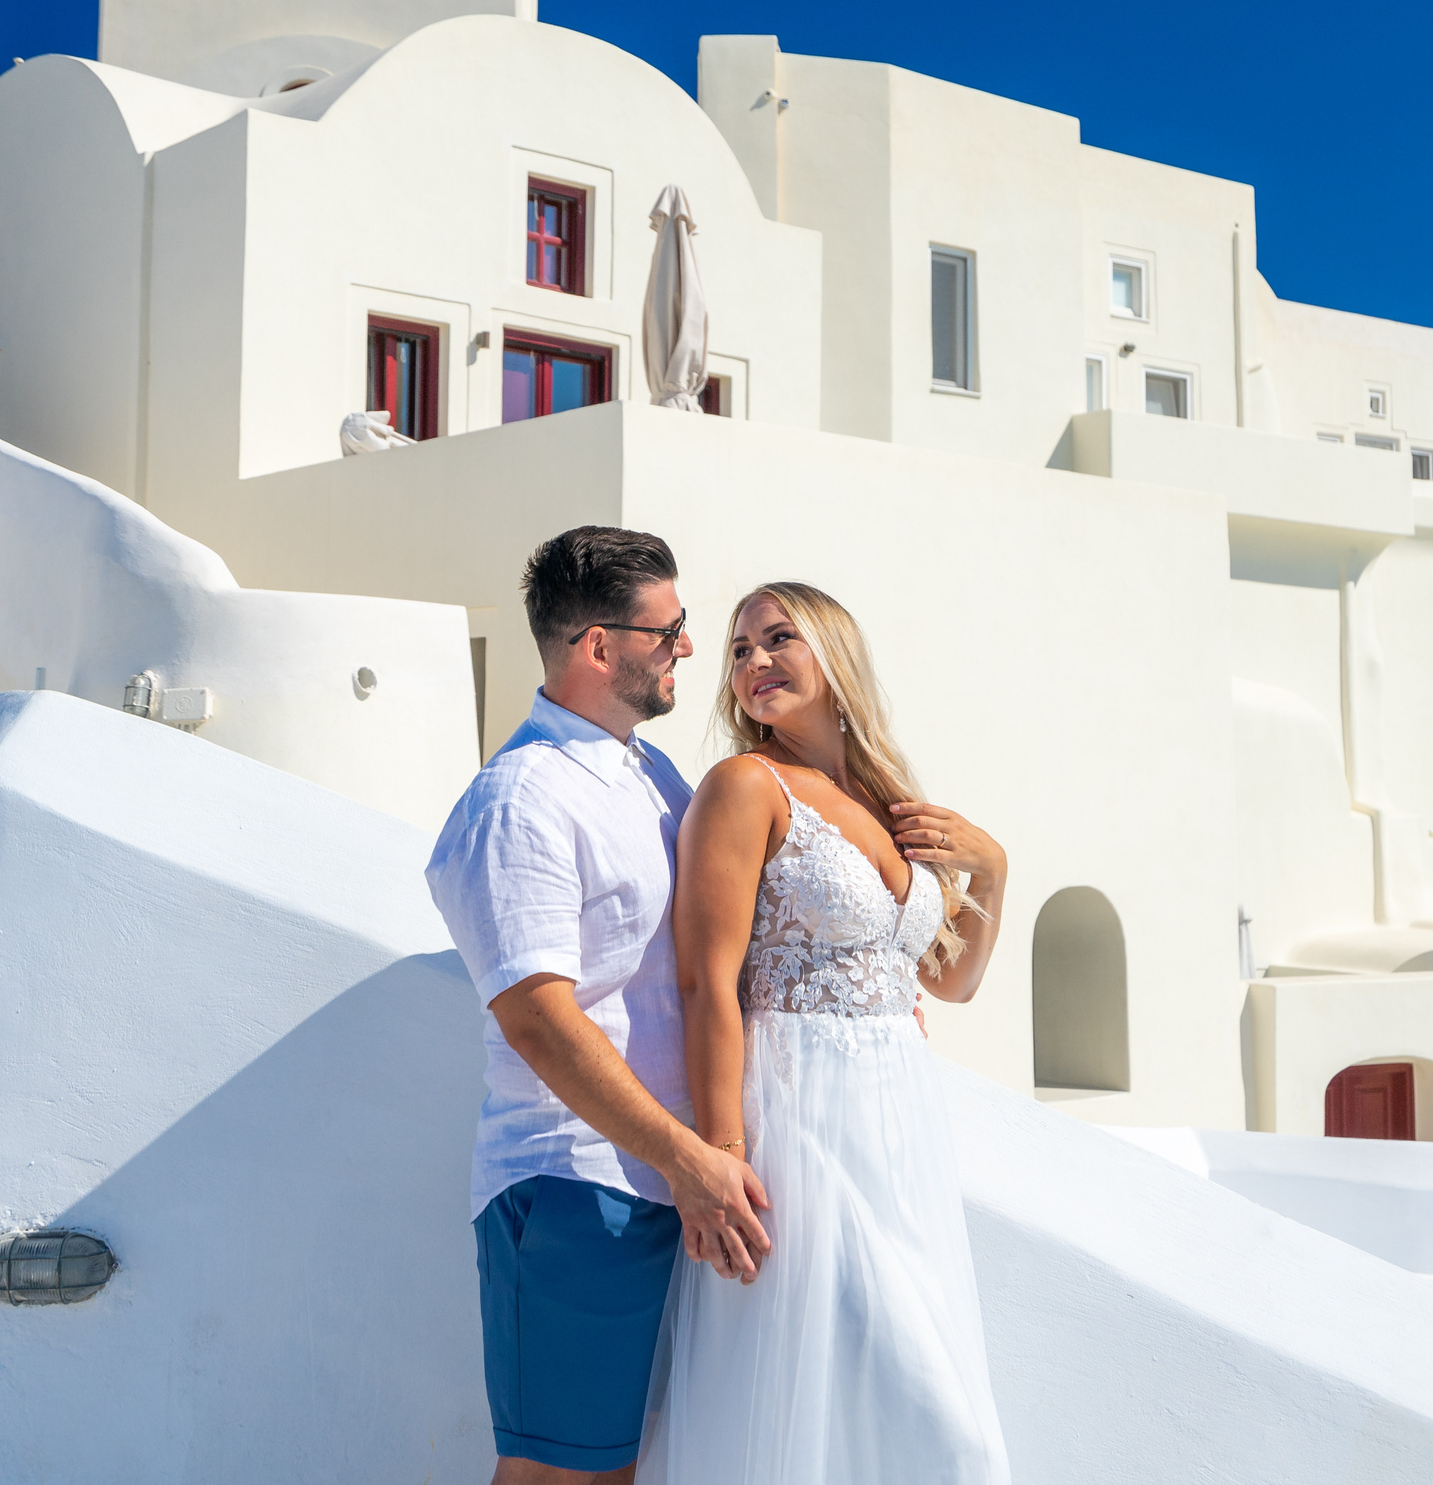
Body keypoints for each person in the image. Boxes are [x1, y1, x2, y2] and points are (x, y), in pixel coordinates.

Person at [640, 582, 1012, 1484]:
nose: (753, 662)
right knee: (947, 1439)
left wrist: (993, 870)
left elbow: (947, 978)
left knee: (876, 1430)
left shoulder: (891, 806)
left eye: (777, 639)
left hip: (901, 1137)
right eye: (737, 651)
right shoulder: (745, 787)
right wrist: (719, 1152)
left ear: (836, 655)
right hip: (797, 1123)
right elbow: (707, 981)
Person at [428, 527, 772, 1485]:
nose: (689, 651)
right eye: (669, 632)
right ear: (598, 646)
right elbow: (537, 1016)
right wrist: (686, 1156)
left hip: (665, 1183)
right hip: (577, 1185)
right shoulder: (520, 800)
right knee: (555, 1476)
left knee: (618, 1473)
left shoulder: (649, 776)